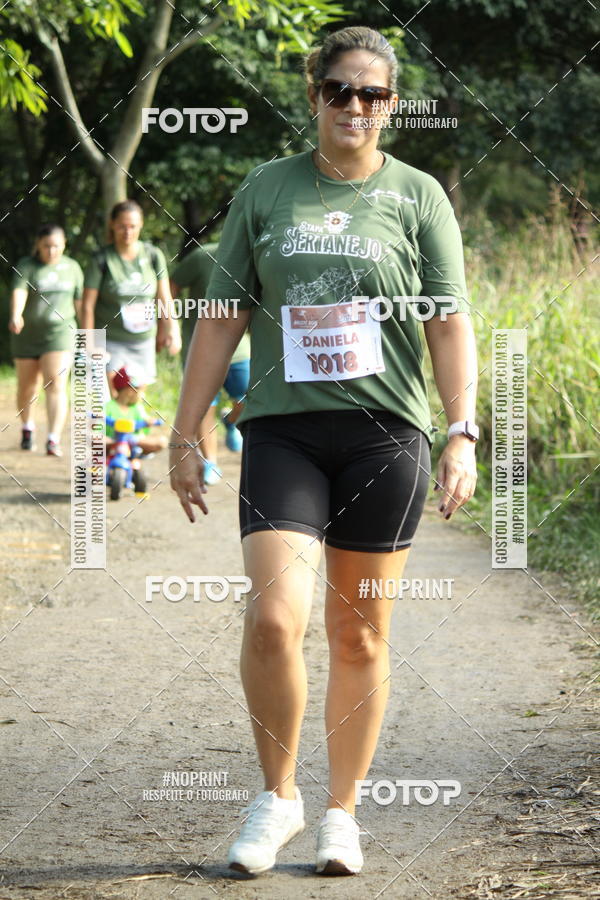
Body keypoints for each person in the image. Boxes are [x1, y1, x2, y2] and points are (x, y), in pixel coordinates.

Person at [169, 26, 478, 878]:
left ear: (392, 105)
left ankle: (342, 813)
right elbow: (222, 316)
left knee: (360, 634)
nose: (355, 106)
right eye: (339, 90)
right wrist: (186, 430)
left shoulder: (418, 196)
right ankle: (278, 799)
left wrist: (462, 432)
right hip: (284, 430)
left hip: (386, 435)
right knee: (275, 619)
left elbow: (449, 321)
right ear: (314, 96)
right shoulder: (267, 187)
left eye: (372, 94)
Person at [81, 199, 180, 397]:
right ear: (112, 225)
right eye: (122, 226)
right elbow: (87, 306)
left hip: (143, 341)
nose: (127, 232)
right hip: (109, 340)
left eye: (132, 226)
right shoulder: (102, 259)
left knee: (134, 400)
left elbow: (164, 298)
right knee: (105, 399)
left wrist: (172, 329)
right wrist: (89, 343)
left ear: (141, 225)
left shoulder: (153, 255)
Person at [170, 241, 250, 485]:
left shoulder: (251, 253)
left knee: (248, 399)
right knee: (205, 406)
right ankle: (211, 461)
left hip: (240, 347)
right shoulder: (200, 256)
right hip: (201, 348)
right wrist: (171, 322)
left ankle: (231, 420)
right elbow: (171, 287)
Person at [9, 223, 83, 456]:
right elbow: (19, 291)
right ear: (38, 246)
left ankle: (53, 439)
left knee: (56, 382)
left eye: (56, 246)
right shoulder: (27, 266)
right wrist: (16, 314)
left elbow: (80, 302)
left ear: (64, 245)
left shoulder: (72, 268)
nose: (51, 251)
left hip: (60, 334)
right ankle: (27, 427)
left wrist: (86, 332)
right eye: (46, 246)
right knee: (27, 387)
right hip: (27, 336)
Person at [104, 365, 166, 455]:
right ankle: (119, 443)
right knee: (97, 439)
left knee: (161, 441)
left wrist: (149, 422)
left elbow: (145, 421)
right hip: (111, 443)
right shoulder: (109, 407)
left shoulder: (137, 408)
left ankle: (128, 444)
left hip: (133, 443)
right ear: (131, 391)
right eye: (142, 390)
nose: (144, 395)